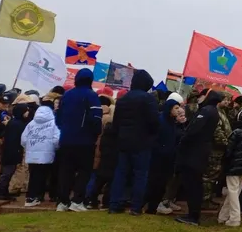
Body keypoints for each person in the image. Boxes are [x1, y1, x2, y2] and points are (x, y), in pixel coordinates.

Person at [109, 69, 159, 215]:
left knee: (120, 173)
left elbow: (116, 122)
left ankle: (114, 204)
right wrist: (152, 136)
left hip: (124, 141)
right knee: (140, 174)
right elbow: (154, 122)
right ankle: (136, 207)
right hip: (142, 142)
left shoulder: (123, 99)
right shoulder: (148, 99)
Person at [55, 68, 103, 211]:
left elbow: (58, 118)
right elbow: (96, 118)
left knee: (65, 171)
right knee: (84, 171)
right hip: (85, 141)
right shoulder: (91, 95)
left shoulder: (66, 96)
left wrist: (64, 130)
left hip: (66, 139)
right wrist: (95, 134)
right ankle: (77, 201)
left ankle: (62, 202)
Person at [174, 89, 223, 226]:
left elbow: (193, 130)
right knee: (195, 184)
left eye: (201, 96)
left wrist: (183, 139)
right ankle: (193, 214)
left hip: (195, 152)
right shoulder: (213, 111)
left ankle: (193, 216)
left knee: (193, 184)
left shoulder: (207, 111)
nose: (199, 98)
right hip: (200, 151)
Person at [219, 109, 242, 227]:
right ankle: (223, 216)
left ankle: (235, 218)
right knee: (235, 191)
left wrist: (224, 162)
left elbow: (228, 150)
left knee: (233, 191)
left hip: (233, 166)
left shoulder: (236, 133)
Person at [146, 100, 184, 215]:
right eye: (176, 108)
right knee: (154, 183)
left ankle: (152, 207)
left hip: (167, 158)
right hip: (158, 158)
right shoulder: (161, 120)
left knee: (161, 184)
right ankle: (146, 206)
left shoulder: (172, 122)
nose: (178, 110)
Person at [20, 101, 60, 207]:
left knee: (33, 175)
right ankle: (38, 196)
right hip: (47, 154)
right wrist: (54, 148)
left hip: (32, 155)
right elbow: (57, 139)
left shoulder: (31, 124)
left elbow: (23, 139)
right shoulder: (53, 123)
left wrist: (29, 148)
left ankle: (31, 196)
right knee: (44, 175)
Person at [0, 96, 33, 201]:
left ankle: (4, 190)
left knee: (9, 172)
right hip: (12, 151)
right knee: (7, 173)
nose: (27, 113)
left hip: (13, 151)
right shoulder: (17, 124)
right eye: (26, 111)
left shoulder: (15, 123)